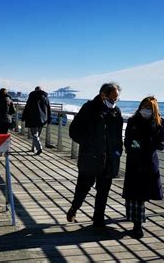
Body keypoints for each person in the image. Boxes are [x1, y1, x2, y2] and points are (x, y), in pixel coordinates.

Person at [66, 82, 123, 228]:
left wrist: (118, 152)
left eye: (117, 99)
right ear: (103, 95)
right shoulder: (89, 108)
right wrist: (89, 143)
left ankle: (98, 220)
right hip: (90, 158)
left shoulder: (116, 112)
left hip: (109, 159)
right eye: (112, 98)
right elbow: (74, 131)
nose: (114, 101)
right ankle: (75, 207)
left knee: (103, 191)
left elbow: (118, 135)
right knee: (83, 188)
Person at [122, 96, 164, 238]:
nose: (145, 109)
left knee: (142, 194)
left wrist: (155, 144)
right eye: (143, 106)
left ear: (154, 109)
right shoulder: (133, 120)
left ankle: (137, 223)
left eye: (148, 107)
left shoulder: (160, 122)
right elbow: (127, 140)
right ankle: (137, 224)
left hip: (149, 162)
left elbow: (163, 143)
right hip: (134, 161)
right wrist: (132, 146)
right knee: (135, 194)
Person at [21, 86, 51, 155]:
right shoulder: (45, 97)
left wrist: (23, 117)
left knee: (34, 134)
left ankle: (39, 148)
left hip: (32, 118)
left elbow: (27, 107)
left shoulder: (32, 96)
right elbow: (49, 108)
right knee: (38, 135)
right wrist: (49, 118)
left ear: (35, 90)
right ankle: (34, 148)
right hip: (43, 119)